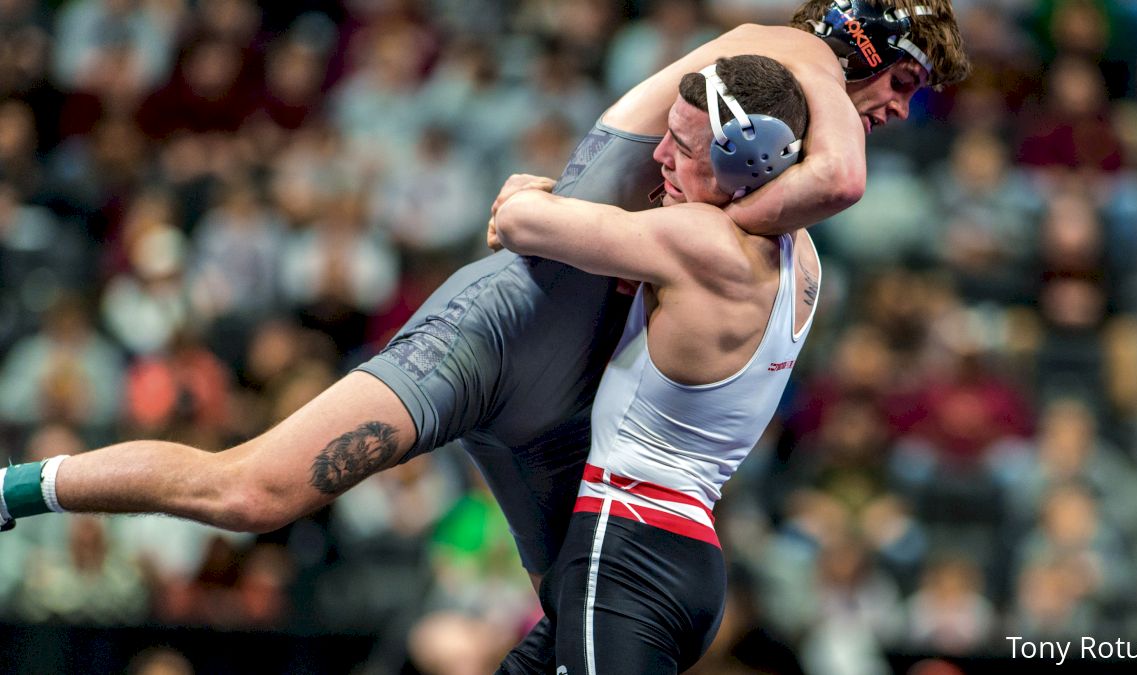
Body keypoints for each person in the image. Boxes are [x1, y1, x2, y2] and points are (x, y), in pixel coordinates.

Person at [1, 0, 967, 641]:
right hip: (500, 331)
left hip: (570, 398)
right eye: (903, 84)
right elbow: (842, 179)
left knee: (581, 625)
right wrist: (714, 228)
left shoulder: (769, 124)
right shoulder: (798, 54)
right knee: (252, 492)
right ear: (862, 43)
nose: (897, 111)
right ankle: (17, 486)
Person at [492, 54, 815, 673]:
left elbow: (516, 220)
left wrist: (529, 193)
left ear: (745, 164)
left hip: (625, 546)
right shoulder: (803, 254)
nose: (660, 155)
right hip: (685, 555)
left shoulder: (703, 242)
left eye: (683, 147)